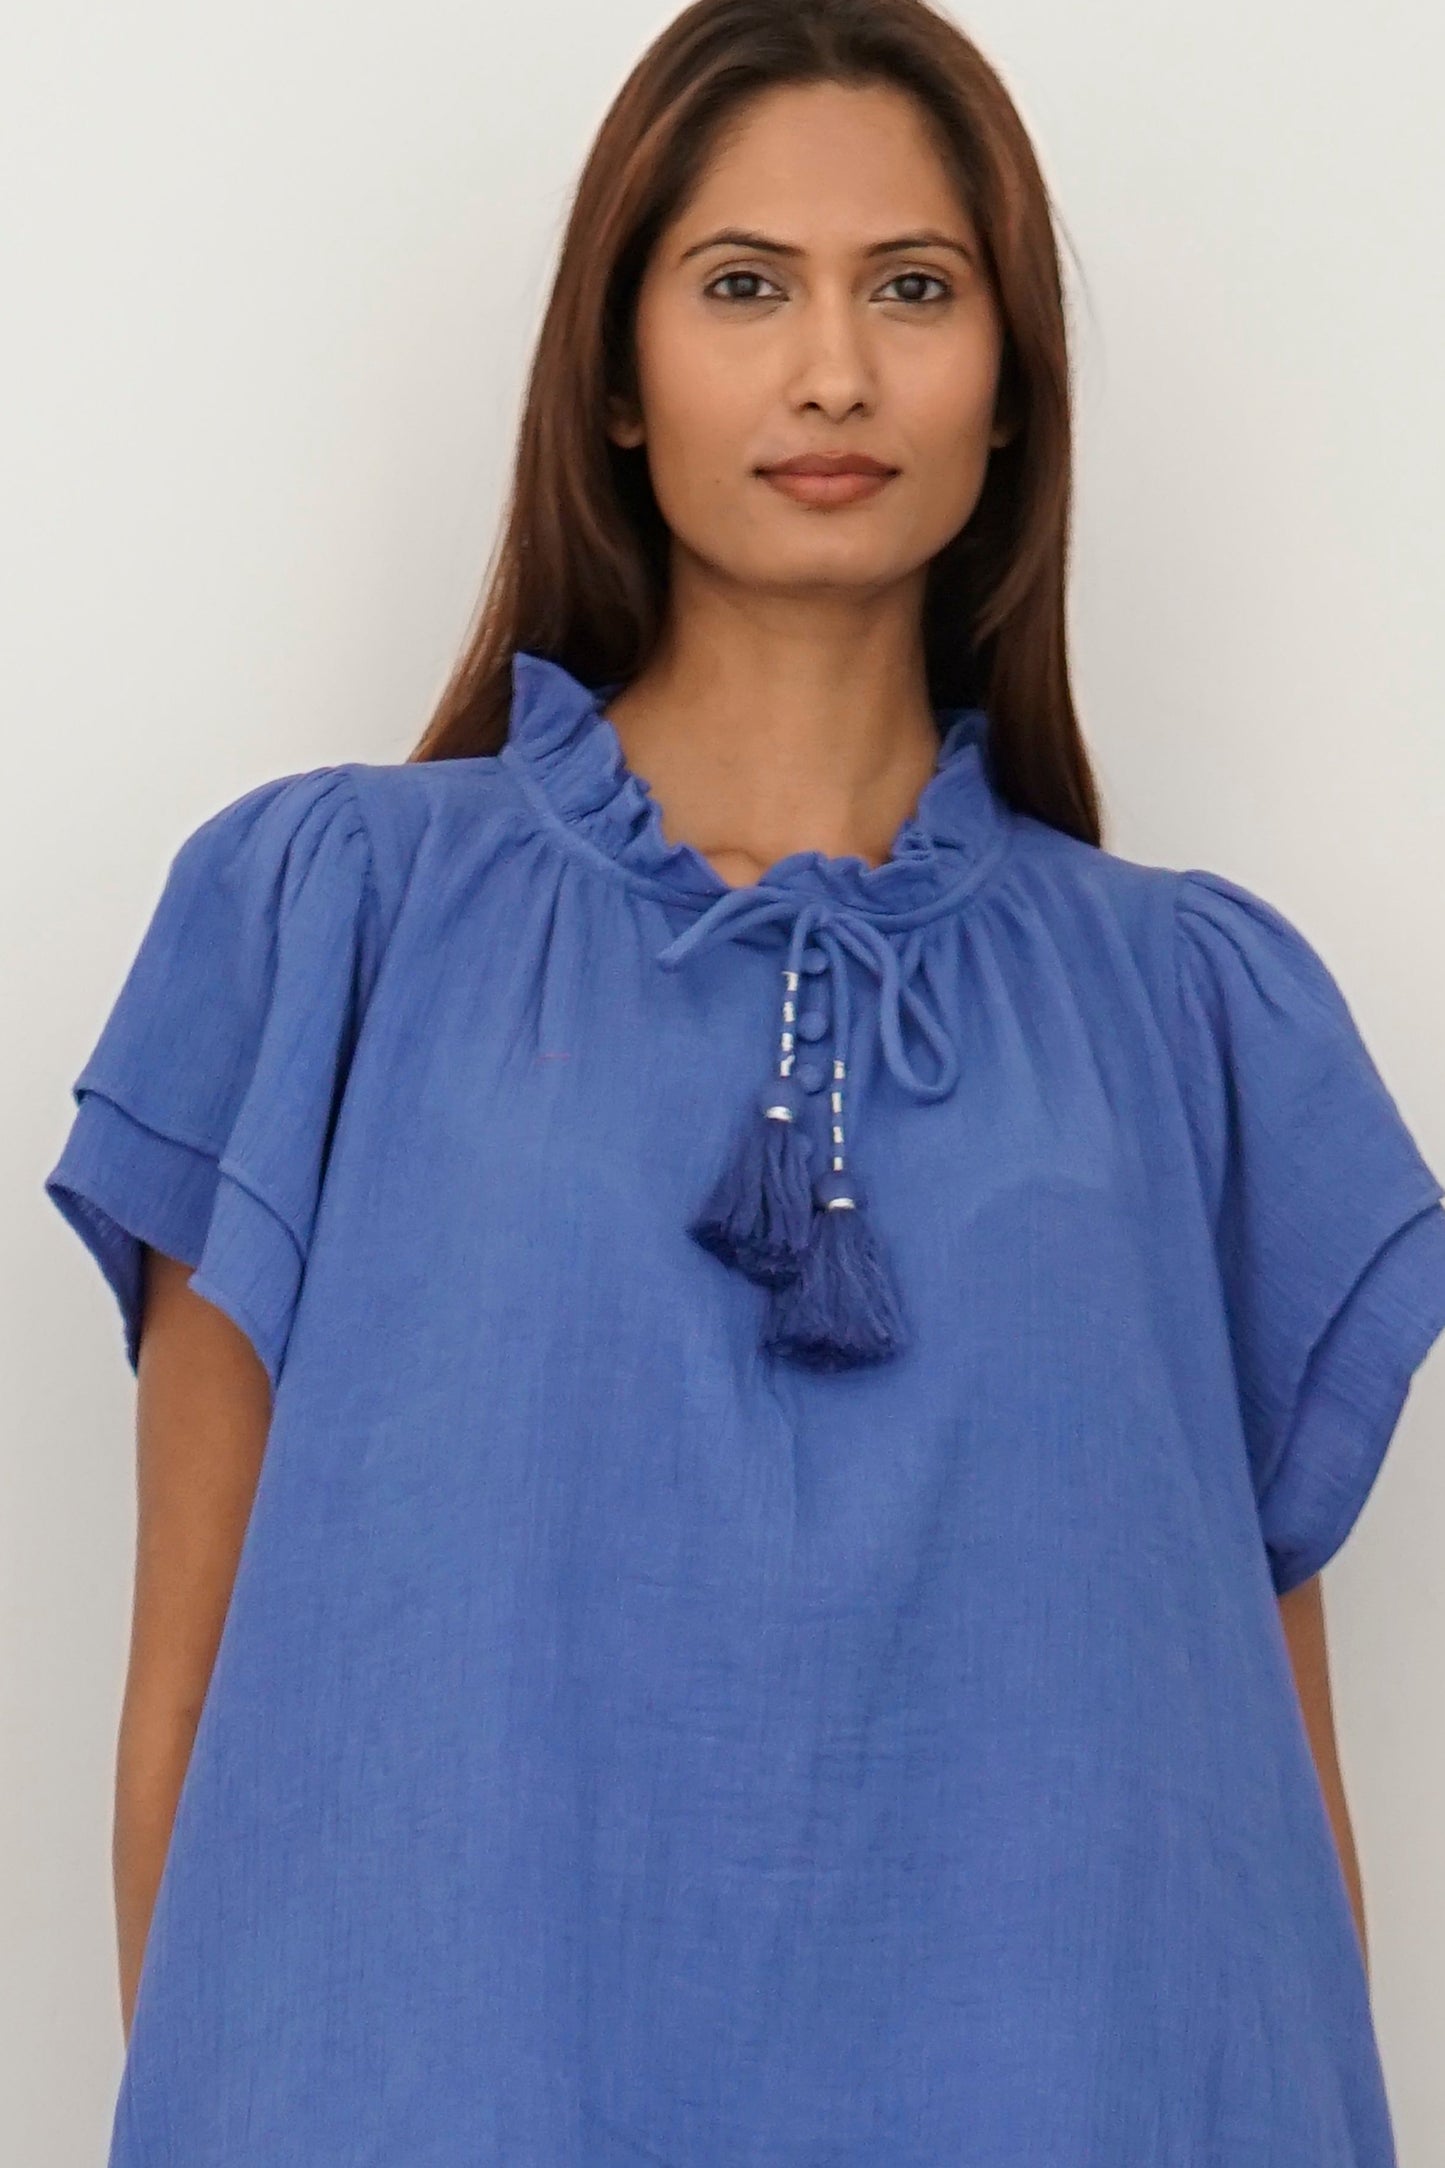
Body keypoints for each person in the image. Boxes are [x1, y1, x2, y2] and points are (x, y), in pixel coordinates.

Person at [42, 2, 1445, 2162]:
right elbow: (190, 1713)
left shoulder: (1191, 1011)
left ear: (1010, 381)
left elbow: (1257, 1779)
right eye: (741, 285)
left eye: (913, 285)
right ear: (614, 374)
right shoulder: (331, 918)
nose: (833, 372)